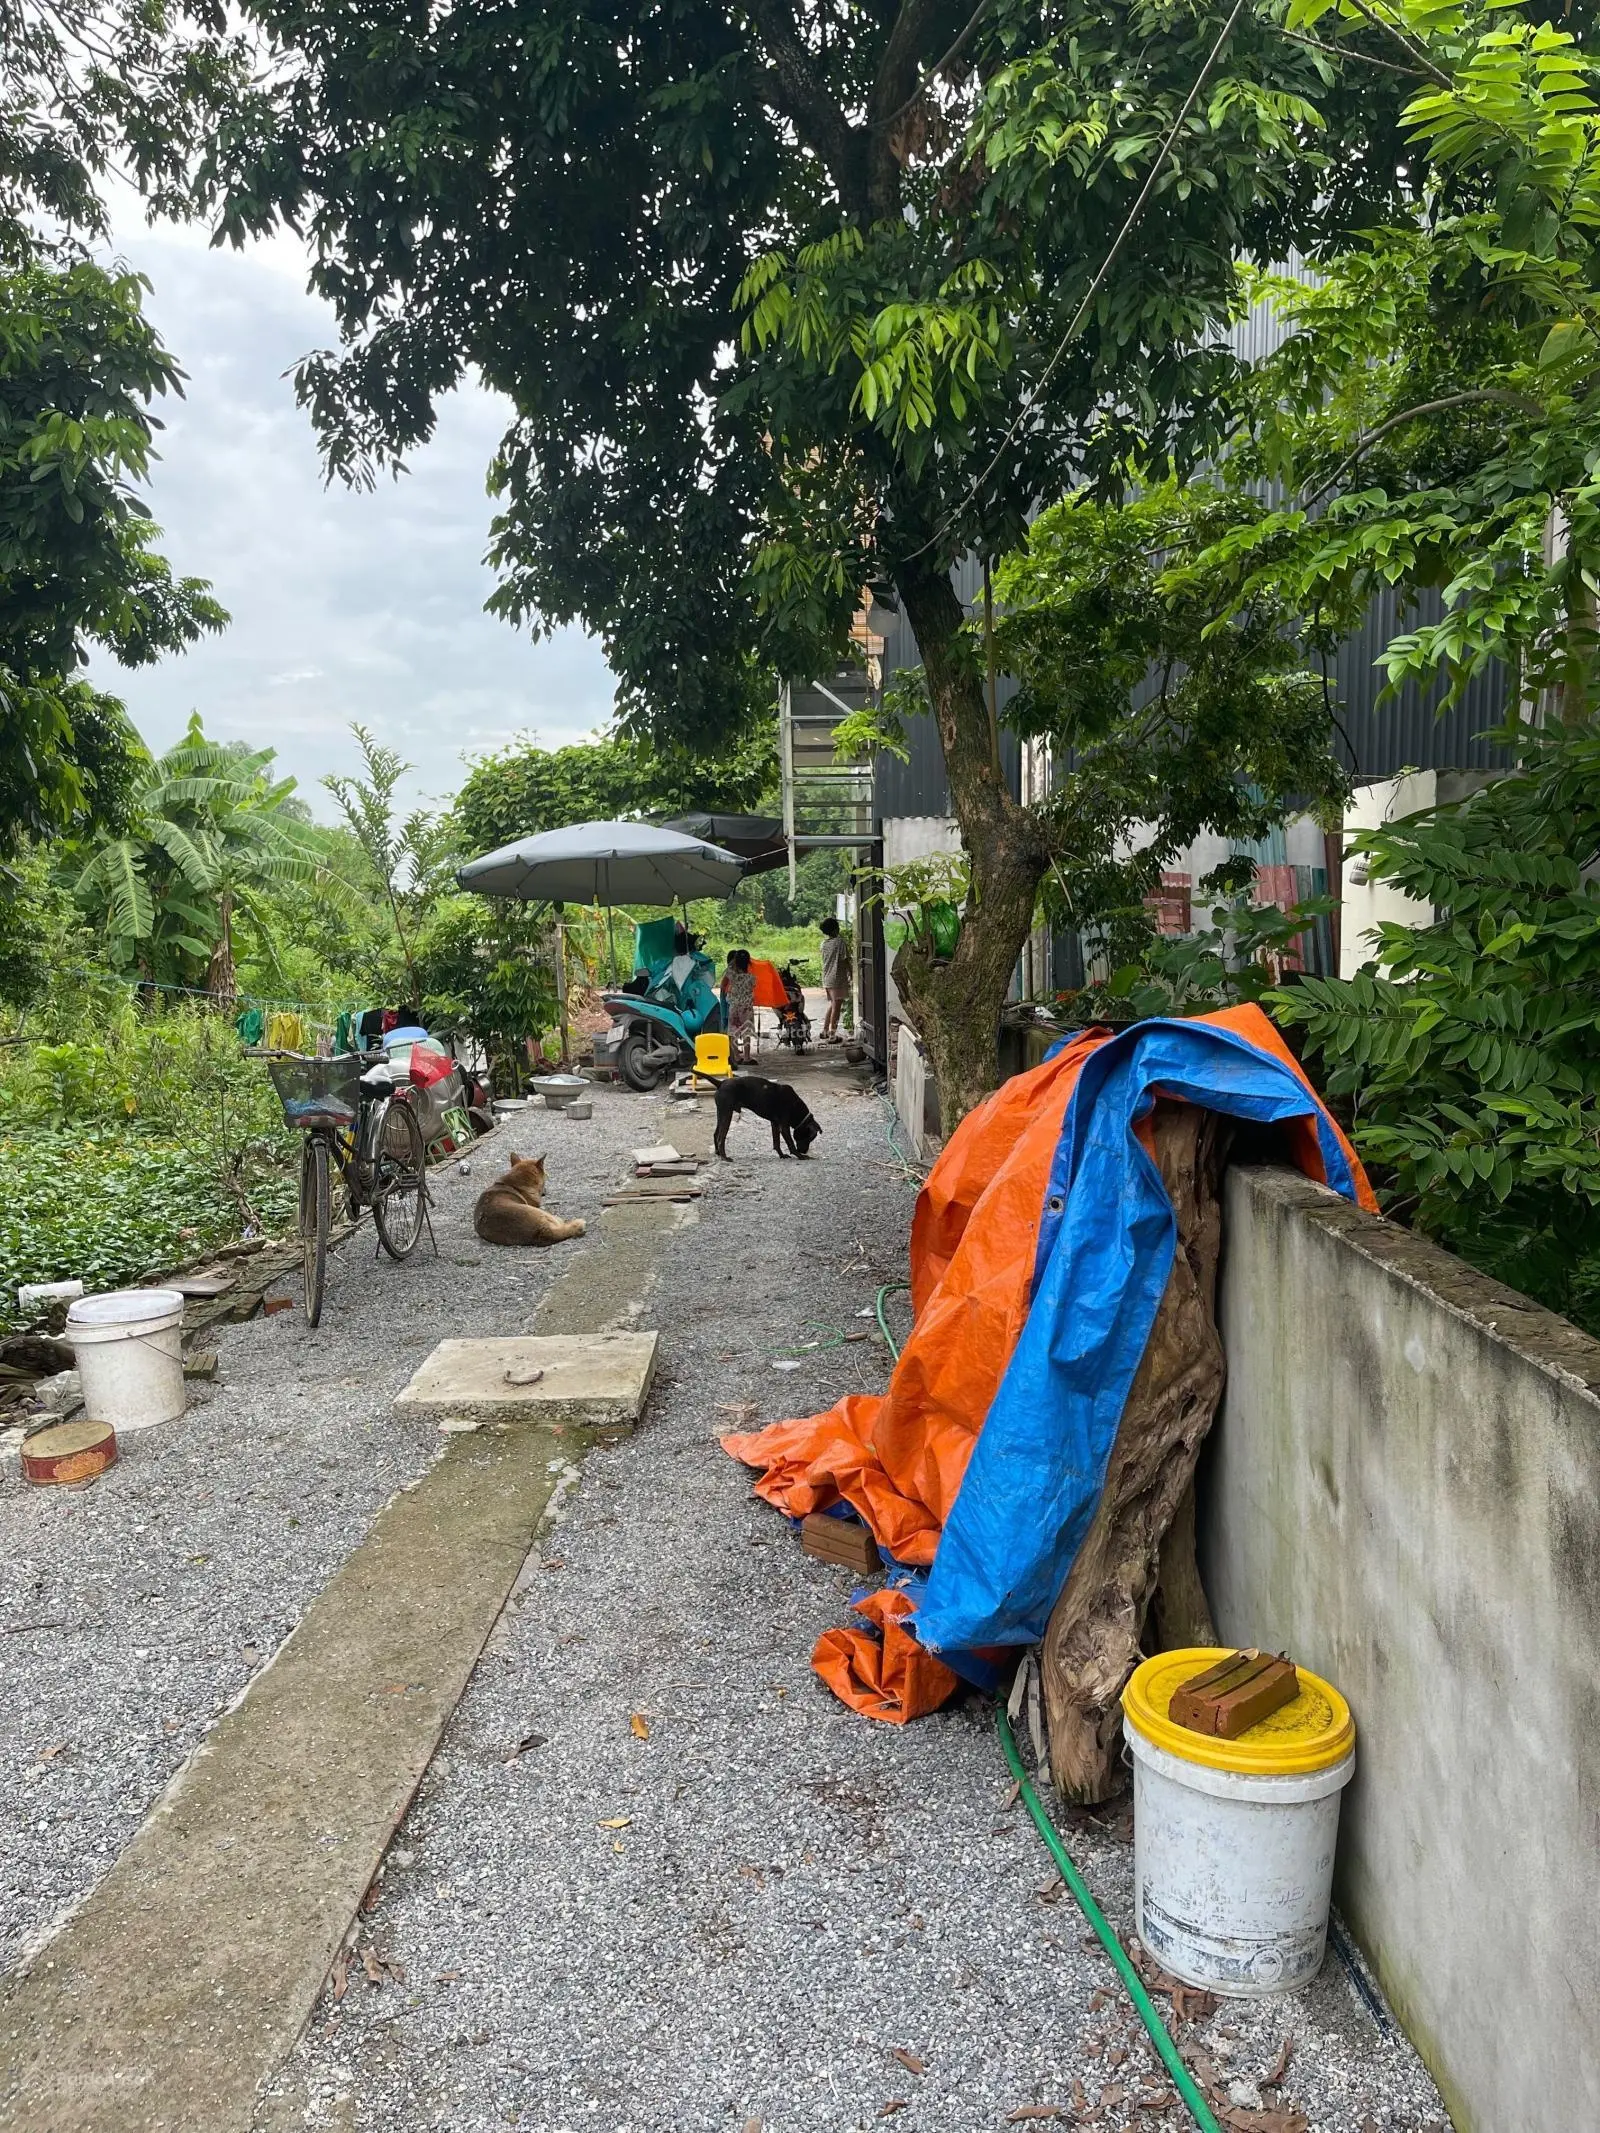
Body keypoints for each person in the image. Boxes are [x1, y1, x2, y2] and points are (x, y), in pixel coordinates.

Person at [819, 916, 852, 1042]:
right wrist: (852, 974)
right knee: (837, 1007)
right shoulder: (840, 942)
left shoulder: (823, 944)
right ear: (834, 929)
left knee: (833, 1005)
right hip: (837, 978)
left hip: (827, 978)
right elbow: (845, 960)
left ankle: (825, 1030)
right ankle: (832, 1035)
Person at [722, 947, 756, 1063]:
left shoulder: (731, 975)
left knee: (732, 1031)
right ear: (748, 963)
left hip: (734, 1007)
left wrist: (733, 962)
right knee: (747, 1032)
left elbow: (723, 985)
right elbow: (753, 988)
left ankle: (736, 1056)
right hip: (746, 1009)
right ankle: (747, 1057)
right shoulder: (751, 978)